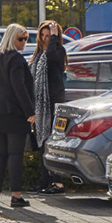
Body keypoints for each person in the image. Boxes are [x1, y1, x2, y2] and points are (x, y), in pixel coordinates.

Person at [0, 23, 36, 209]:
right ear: (11, 38)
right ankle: (16, 195)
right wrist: (30, 111)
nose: (23, 43)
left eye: (26, 39)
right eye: (20, 39)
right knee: (14, 154)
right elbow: (19, 87)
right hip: (14, 112)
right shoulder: (16, 60)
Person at [32, 19, 69, 194]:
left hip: (53, 103)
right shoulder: (38, 54)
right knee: (42, 144)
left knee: (52, 143)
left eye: (49, 36)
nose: (46, 39)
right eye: (44, 36)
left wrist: (55, 38)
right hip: (40, 105)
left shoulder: (58, 51)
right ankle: (44, 179)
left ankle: (57, 182)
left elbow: (54, 56)